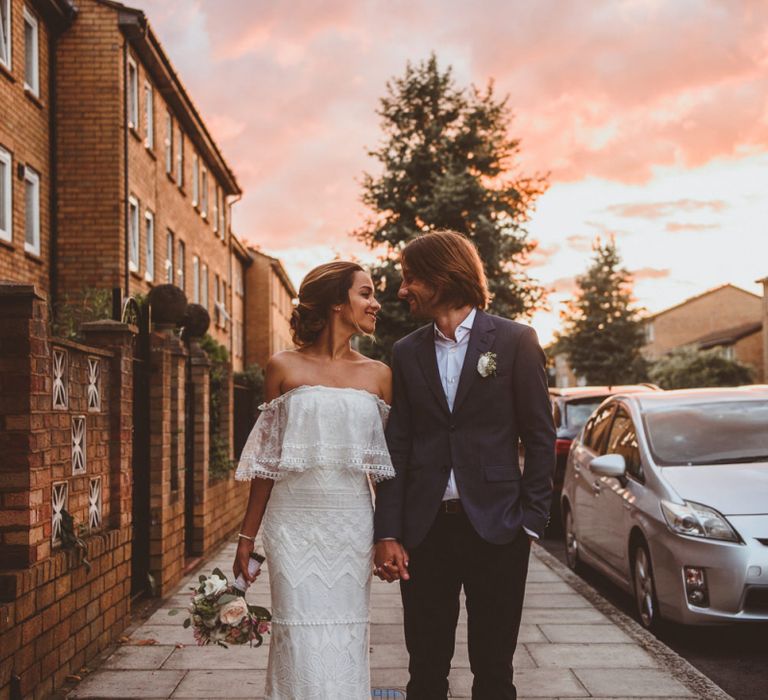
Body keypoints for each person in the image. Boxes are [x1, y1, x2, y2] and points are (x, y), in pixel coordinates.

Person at [373, 231, 556, 700]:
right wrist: (389, 530)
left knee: (495, 670)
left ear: (441, 277)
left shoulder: (515, 340)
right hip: (425, 531)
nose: (401, 290)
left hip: (499, 529)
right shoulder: (406, 351)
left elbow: (539, 436)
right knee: (426, 670)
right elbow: (399, 446)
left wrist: (531, 520)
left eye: (410, 278)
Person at [233, 261, 394, 700]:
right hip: (293, 523)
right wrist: (248, 536)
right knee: (297, 636)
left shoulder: (379, 375)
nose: (375, 303)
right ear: (338, 303)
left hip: (350, 524)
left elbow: (383, 470)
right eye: (366, 293)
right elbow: (267, 464)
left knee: (345, 634)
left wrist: (389, 535)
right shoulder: (282, 367)